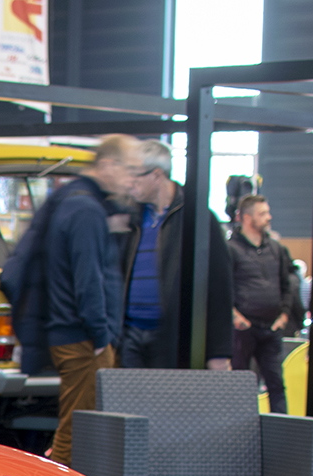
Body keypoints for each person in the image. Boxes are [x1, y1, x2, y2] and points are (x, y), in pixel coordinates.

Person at [2, 134, 140, 465]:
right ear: (107, 165)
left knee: (75, 422)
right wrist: (100, 334)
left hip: (73, 332)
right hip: (81, 336)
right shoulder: (85, 210)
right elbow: (88, 278)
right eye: (130, 169)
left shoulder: (71, 201)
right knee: (78, 427)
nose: (132, 180)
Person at [116, 138, 234, 374]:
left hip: (172, 337)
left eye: (136, 175)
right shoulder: (130, 218)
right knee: (129, 407)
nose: (130, 183)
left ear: (157, 175)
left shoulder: (197, 218)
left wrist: (218, 351)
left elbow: (220, 286)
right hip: (130, 335)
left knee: (167, 407)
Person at [226, 195, 303, 415]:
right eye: (263, 214)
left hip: (272, 327)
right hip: (243, 328)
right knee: (240, 385)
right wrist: (235, 317)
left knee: (276, 384)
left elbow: (287, 284)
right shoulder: (231, 249)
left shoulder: (276, 249)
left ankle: (281, 437)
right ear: (247, 218)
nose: (268, 218)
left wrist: (284, 315)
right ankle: (237, 434)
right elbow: (222, 287)